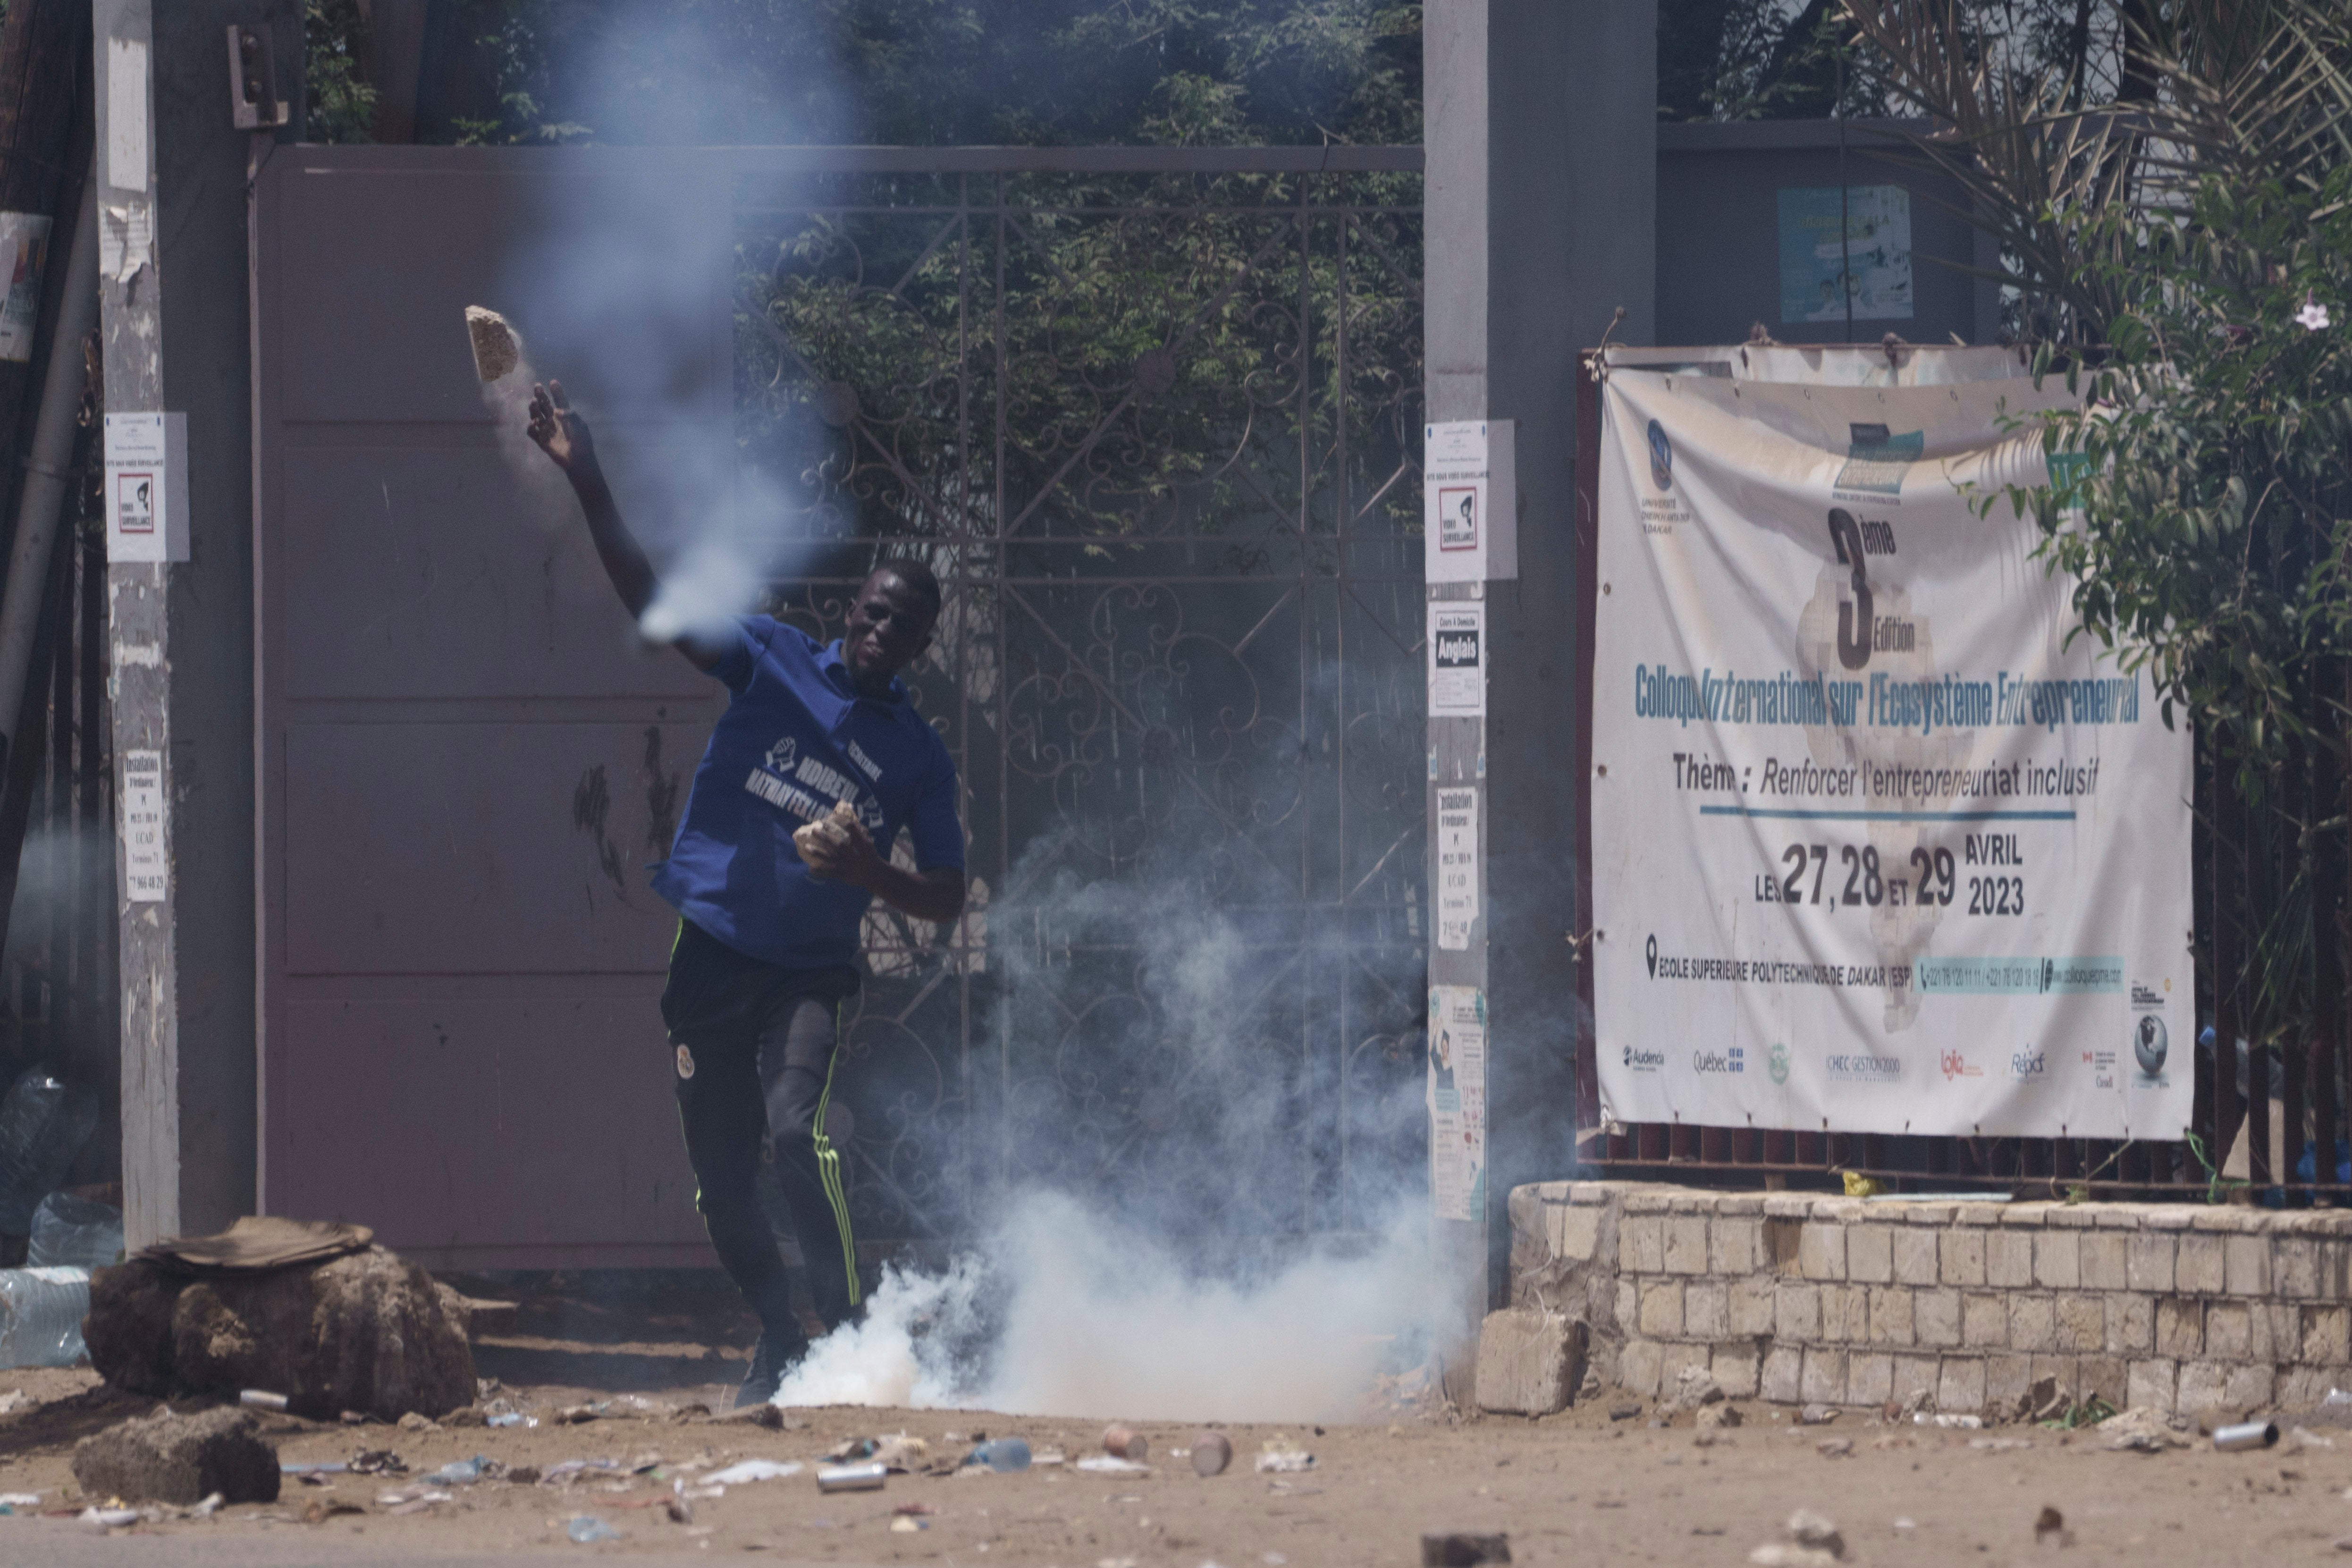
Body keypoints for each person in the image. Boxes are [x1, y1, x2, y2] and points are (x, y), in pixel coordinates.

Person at [526, 379, 967, 1405]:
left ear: (917, 647)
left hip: (811, 972)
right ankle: (775, 1332)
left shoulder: (916, 757)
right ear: (850, 608)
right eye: (874, 612)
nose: (882, 632)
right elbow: (654, 603)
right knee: (719, 1181)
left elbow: (944, 893)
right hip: (713, 955)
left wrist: (870, 873)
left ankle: (852, 1338)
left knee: (793, 1133)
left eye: (903, 628)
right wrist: (583, 472)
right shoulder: (770, 659)